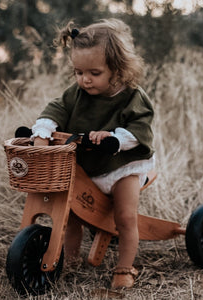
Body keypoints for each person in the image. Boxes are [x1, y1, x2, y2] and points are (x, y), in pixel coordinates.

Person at [31, 18, 155, 289]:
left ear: (117, 68)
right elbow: (56, 109)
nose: (84, 79)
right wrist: (42, 132)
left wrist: (115, 137)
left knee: (124, 216)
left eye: (94, 73)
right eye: (78, 71)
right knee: (72, 214)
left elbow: (140, 128)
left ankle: (124, 267)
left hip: (123, 165)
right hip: (89, 166)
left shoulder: (133, 96)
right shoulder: (77, 93)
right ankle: (70, 262)